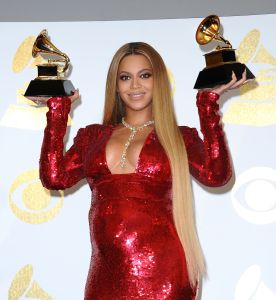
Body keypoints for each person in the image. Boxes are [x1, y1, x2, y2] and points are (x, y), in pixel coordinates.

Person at [39, 42, 246, 299]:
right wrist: (57, 112)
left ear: (158, 80)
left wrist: (208, 105)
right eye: (125, 77)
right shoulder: (92, 137)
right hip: (105, 275)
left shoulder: (178, 138)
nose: (135, 86)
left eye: (144, 75)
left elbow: (217, 175)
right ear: (115, 85)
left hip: (164, 275)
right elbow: (54, 177)